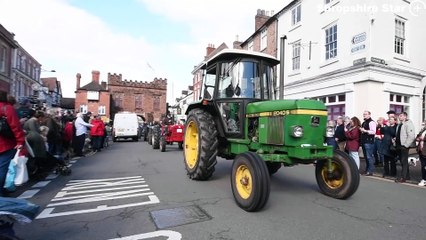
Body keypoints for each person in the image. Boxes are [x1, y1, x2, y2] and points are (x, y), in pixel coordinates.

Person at [0, 91, 25, 196]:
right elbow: (15, 126)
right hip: (4, 144)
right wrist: (20, 141)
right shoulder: (7, 108)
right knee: (2, 169)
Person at [395, 112, 415, 183]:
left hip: (404, 146)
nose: (399, 117)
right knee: (403, 161)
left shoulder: (408, 124)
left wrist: (406, 145)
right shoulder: (400, 124)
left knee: (404, 161)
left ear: (405, 117)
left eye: (401, 116)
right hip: (398, 145)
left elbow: (411, 136)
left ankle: (403, 177)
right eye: (399, 116)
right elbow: (398, 135)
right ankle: (407, 176)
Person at [360, 111, 377, 176]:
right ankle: (367, 170)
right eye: (363, 114)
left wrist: (365, 131)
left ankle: (370, 171)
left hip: (369, 142)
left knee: (369, 157)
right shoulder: (364, 122)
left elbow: (373, 131)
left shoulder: (371, 122)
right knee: (366, 157)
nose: (364, 115)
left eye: (366, 114)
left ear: (369, 115)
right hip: (364, 141)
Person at [415, 121, 426, 186]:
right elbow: (418, 136)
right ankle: (424, 179)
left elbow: (423, 138)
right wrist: (417, 138)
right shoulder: (423, 130)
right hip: (421, 150)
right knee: (423, 166)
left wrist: (423, 138)